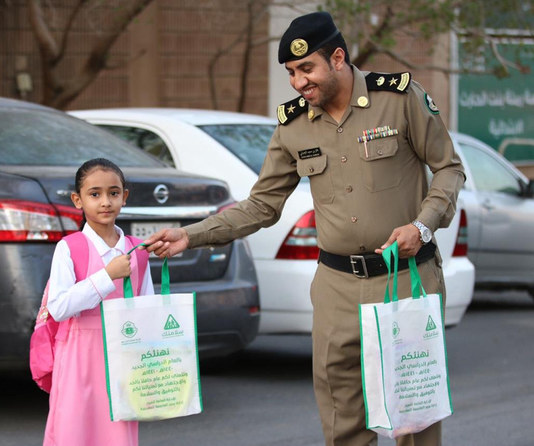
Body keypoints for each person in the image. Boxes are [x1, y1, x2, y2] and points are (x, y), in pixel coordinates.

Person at [143, 11, 465, 446]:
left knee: (414, 418)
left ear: (337, 58)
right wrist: (192, 234)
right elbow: (262, 204)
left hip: (406, 278)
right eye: (291, 73)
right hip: (336, 287)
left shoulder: (399, 98)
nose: (297, 83)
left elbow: (448, 169)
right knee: (342, 418)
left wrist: (423, 226)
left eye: (305, 69)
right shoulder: (293, 124)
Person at [43, 158, 154, 446]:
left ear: (124, 197)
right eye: (95, 194)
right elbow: (58, 307)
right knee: (74, 430)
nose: (105, 202)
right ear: (77, 200)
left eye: (113, 193)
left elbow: (147, 308)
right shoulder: (69, 248)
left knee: (117, 434)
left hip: (124, 359)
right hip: (79, 357)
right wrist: (106, 277)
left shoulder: (137, 252)